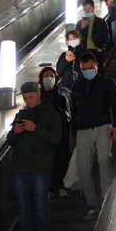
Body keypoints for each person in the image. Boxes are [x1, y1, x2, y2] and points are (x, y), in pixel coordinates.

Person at [70, 51, 116, 219]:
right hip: (83, 129)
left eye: (90, 68)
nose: (87, 71)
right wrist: (74, 131)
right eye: (84, 68)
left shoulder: (107, 83)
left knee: (104, 161)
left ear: (97, 66)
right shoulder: (77, 86)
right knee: (83, 168)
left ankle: (107, 200)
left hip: (103, 125)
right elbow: (73, 110)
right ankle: (92, 204)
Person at [7, 81, 61, 231]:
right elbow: (10, 141)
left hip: (40, 166)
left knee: (39, 202)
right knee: (24, 205)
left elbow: (56, 138)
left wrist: (35, 129)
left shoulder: (51, 113)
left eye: (30, 97)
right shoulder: (21, 114)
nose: (27, 100)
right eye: (25, 98)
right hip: (21, 166)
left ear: (38, 94)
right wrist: (15, 132)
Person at [39, 65, 72, 197]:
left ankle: (61, 186)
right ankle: (48, 188)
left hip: (61, 133)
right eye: (46, 76)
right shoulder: (38, 97)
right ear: (41, 79)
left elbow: (67, 113)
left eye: (51, 76)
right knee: (47, 162)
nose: (49, 78)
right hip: (44, 134)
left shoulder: (62, 94)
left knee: (61, 159)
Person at [76, 0, 112, 64]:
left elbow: (106, 37)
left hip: (96, 50)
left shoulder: (101, 22)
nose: (87, 10)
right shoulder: (80, 23)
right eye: (85, 9)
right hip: (84, 51)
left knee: (98, 71)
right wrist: (81, 28)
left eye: (89, 8)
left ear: (93, 8)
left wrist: (102, 48)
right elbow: (75, 38)